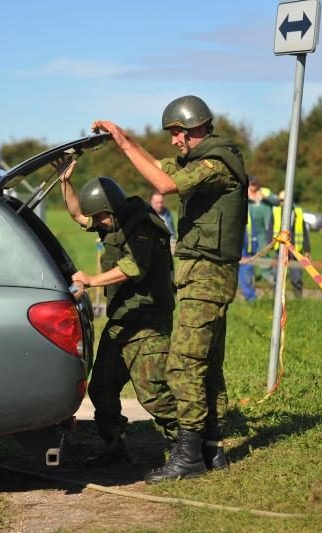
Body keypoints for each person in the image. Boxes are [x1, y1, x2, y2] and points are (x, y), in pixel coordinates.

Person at [92, 95, 247, 482]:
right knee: (208, 365)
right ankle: (211, 449)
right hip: (203, 274)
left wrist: (125, 143)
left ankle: (188, 456)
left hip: (207, 276)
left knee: (183, 364)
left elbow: (162, 182)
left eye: (177, 133)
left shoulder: (214, 165)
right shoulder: (199, 160)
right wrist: (123, 139)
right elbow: (160, 167)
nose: (174, 141)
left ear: (195, 128)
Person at [58, 162, 179, 466]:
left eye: (100, 216)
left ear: (112, 208)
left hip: (148, 321)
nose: (97, 222)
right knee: (102, 387)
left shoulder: (142, 226)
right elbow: (77, 214)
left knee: (152, 392)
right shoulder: (109, 221)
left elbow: (133, 267)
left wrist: (91, 280)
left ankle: (189, 445)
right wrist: (65, 182)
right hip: (123, 319)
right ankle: (115, 446)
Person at [270, 191, 311, 298]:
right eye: (280, 200)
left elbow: (304, 232)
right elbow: (270, 230)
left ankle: (298, 300)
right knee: (277, 277)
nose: (282, 203)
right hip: (279, 250)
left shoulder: (298, 212)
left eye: (284, 200)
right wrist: (269, 245)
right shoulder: (275, 212)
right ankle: (276, 301)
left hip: (296, 251)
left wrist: (307, 250)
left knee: (296, 278)